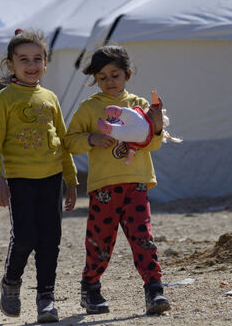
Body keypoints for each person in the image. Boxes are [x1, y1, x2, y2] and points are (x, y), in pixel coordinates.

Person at [63, 45, 173, 316]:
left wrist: (157, 127)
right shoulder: (89, 108)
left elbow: (152, 144)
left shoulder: (141, 105)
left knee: (143, 237)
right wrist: (92, 138)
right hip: (103, 187)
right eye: (102, 77)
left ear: (127, 74)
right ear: (95, 80)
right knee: (100, 241)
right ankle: (90, 288)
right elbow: (69, 141)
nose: (109, 82)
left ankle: (155, 289)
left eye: (115, 75)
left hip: (136, 184)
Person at [0, 29, 78, 323]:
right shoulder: (3, 99)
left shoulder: (50, 97)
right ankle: (11, 282)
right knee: (25, 237)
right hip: (19, 180)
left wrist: (72, 180)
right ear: (10, 64)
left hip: (51, 179)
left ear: (46, 63)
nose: (31, 64)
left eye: (38, 58)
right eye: (23, 59)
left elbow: (62, 142)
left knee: (50, 239)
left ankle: (46, 299)